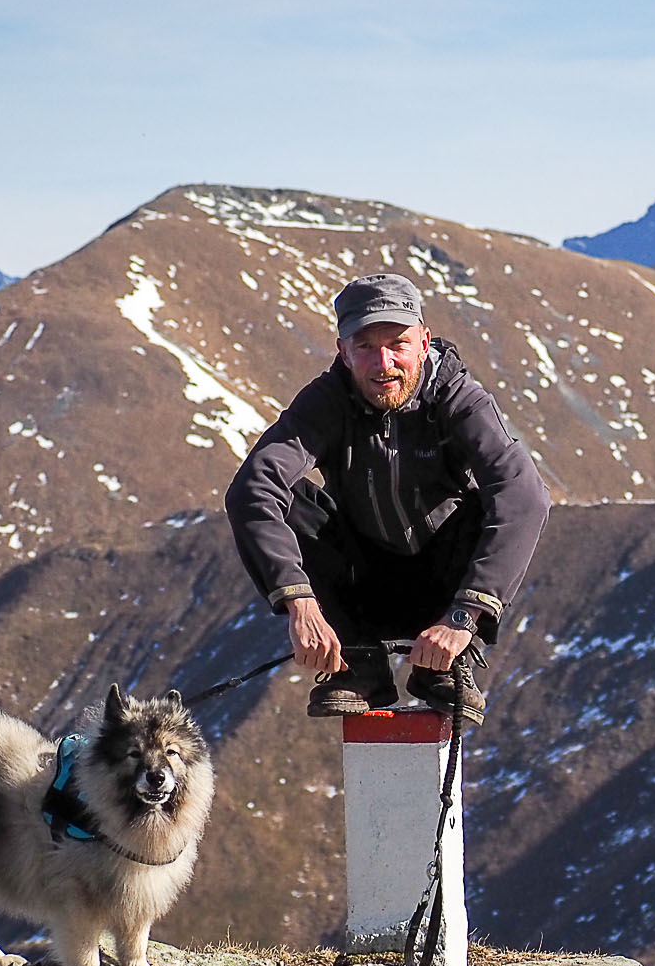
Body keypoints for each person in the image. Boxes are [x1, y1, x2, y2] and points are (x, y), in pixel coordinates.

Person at [225, 273, 551, 724]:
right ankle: (359, 663)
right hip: (360, 580)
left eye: (398, 344)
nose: (384, 363)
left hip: (444, 588)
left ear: (424, 341)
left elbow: (525, 494)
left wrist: (463, 617)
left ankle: (448, 665)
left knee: (492, 501)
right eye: (364, 347)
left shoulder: (458, 398)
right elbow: (252, 489)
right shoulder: (327, 401)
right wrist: (298, 601)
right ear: (342, 351)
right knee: (289, 496)